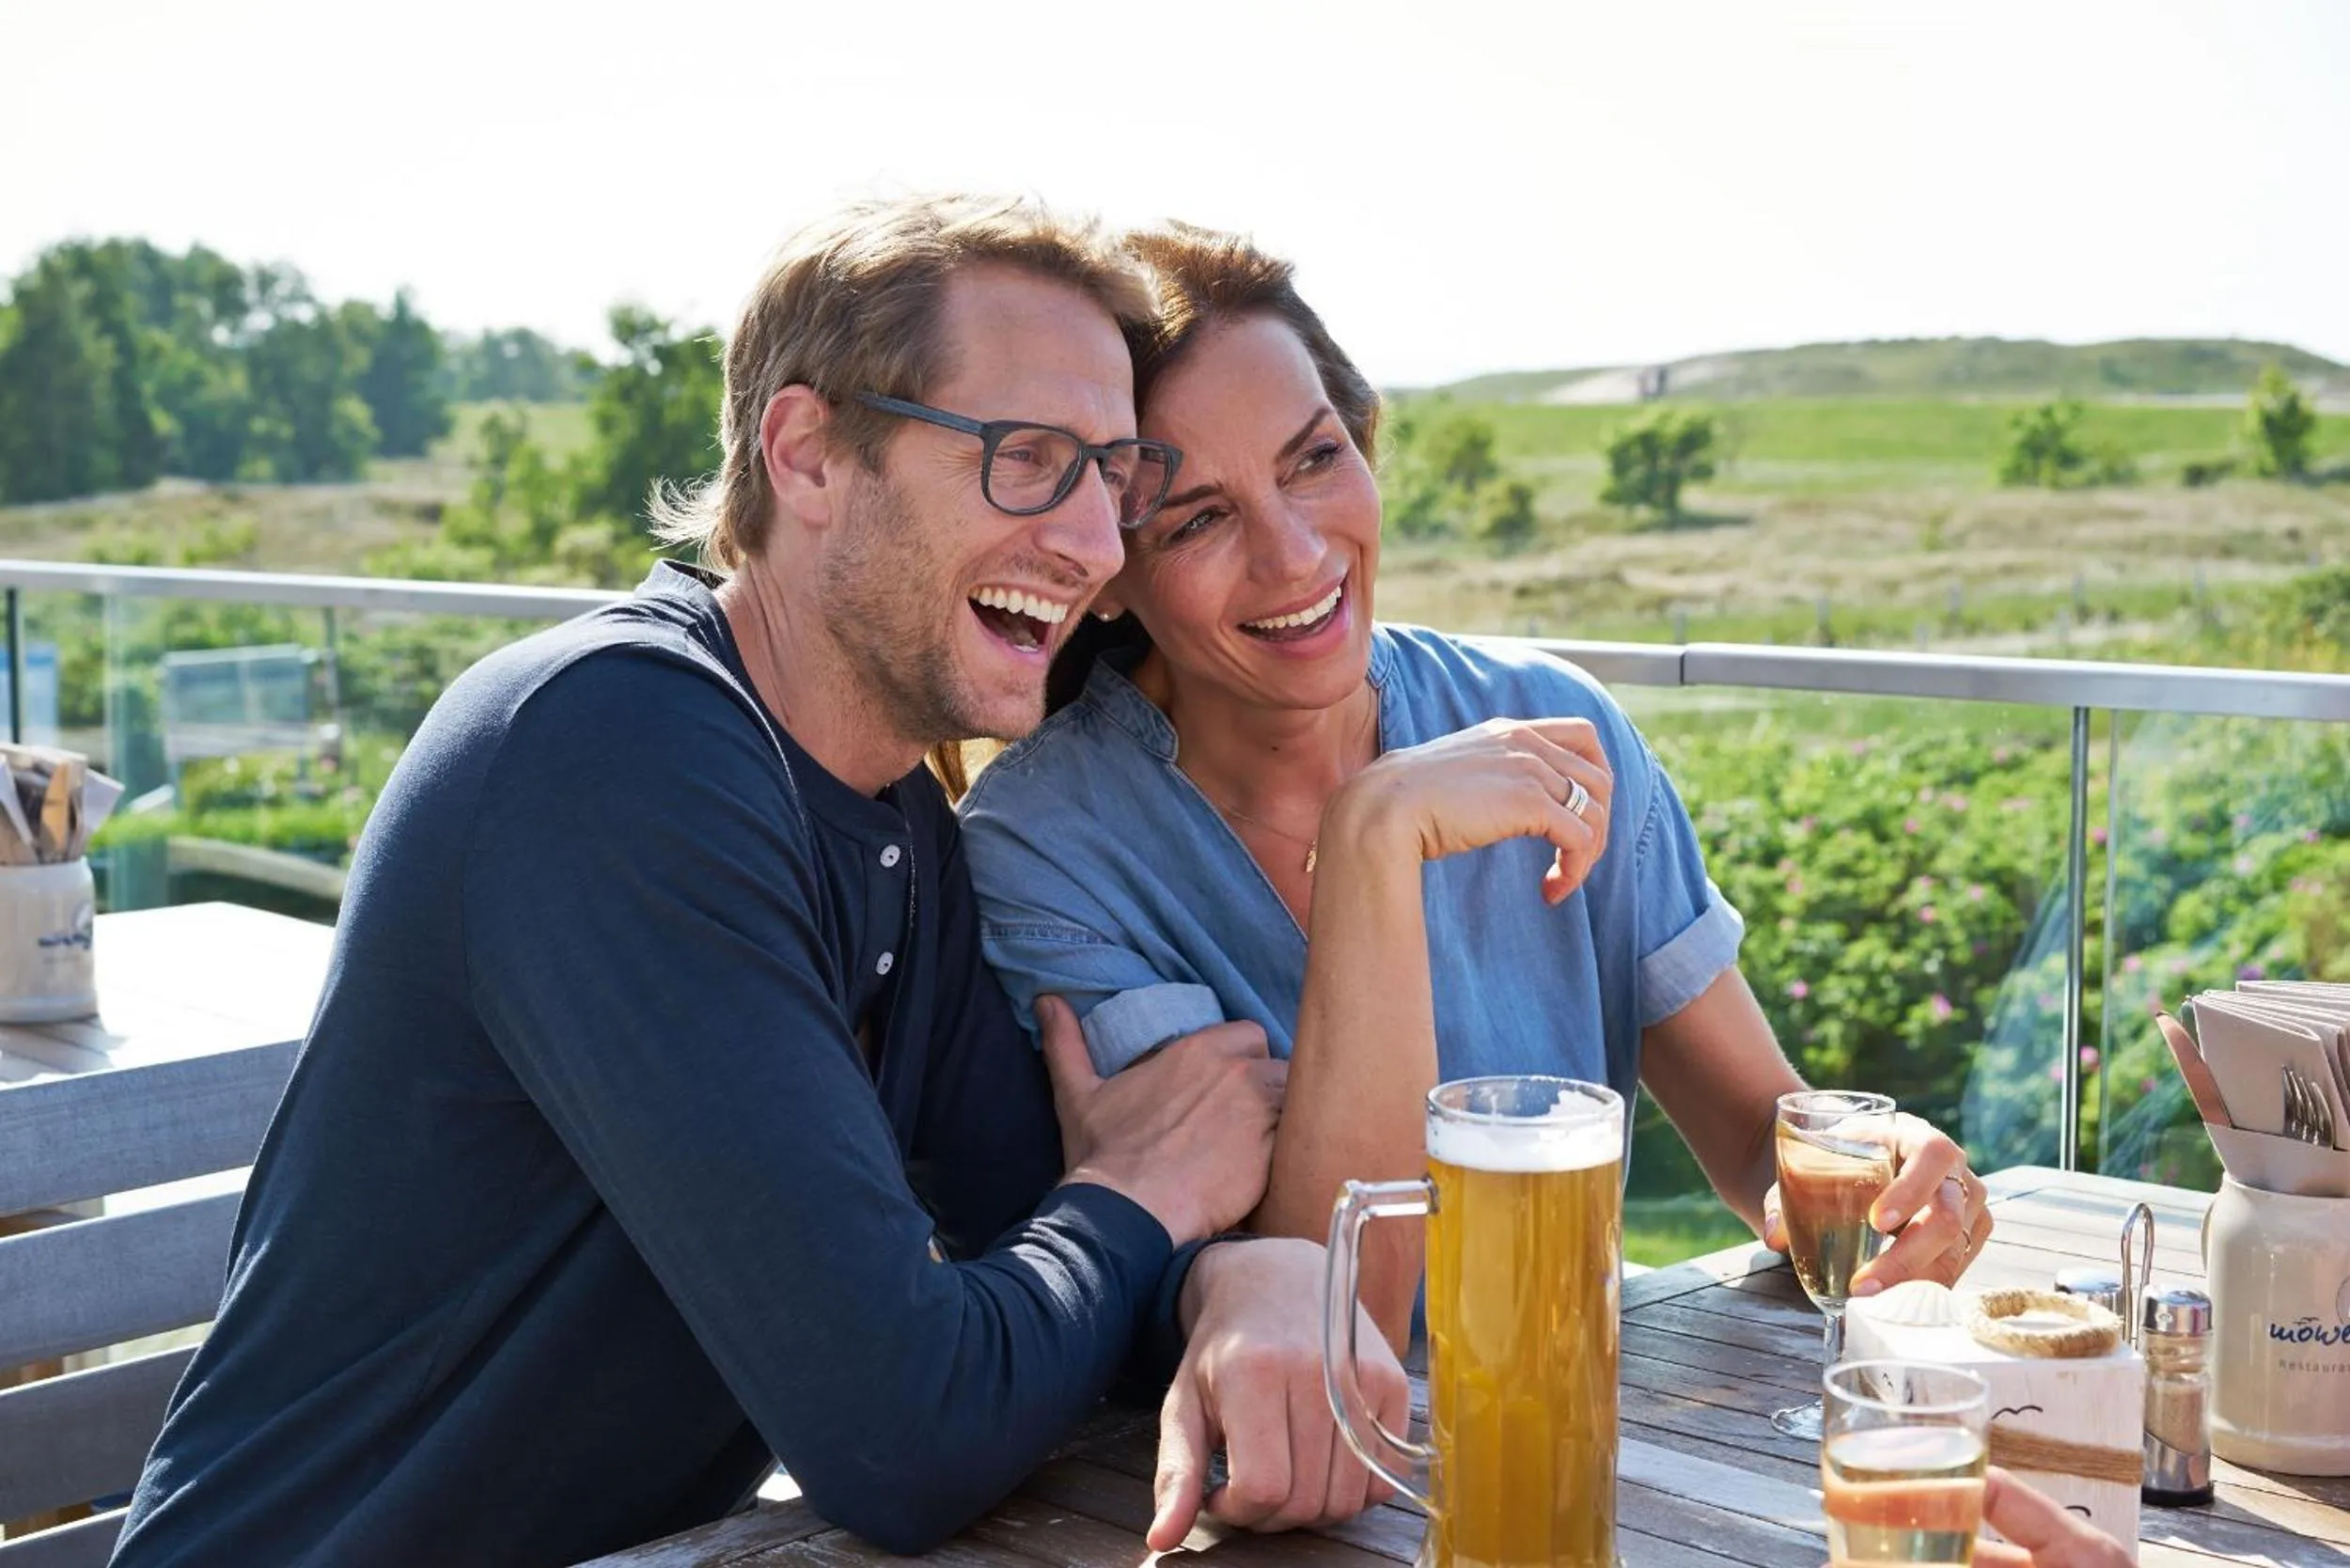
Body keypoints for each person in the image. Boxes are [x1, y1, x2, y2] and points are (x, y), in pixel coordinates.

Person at [110, 196, 1405, 1568]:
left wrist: (1232, 1278)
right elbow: (908, 1431)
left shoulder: (895, 812)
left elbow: (1038, 1231)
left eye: (1112, 475)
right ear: (806, 455)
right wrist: (1147, 1199)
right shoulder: (612, 749)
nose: (1094, 543)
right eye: (1027, 460)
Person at [957, 224, 1995, 1346]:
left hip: (1572, 1434)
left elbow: (1754, 1136)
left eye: (1314, 459)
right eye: (1200, 518)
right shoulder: (1043, 843)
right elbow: (1337, 1313)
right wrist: (1374, 840)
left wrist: (1861, 1179)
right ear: (1108, 568)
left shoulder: (1558, 720)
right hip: (1255, 1498)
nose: (1297, 555)